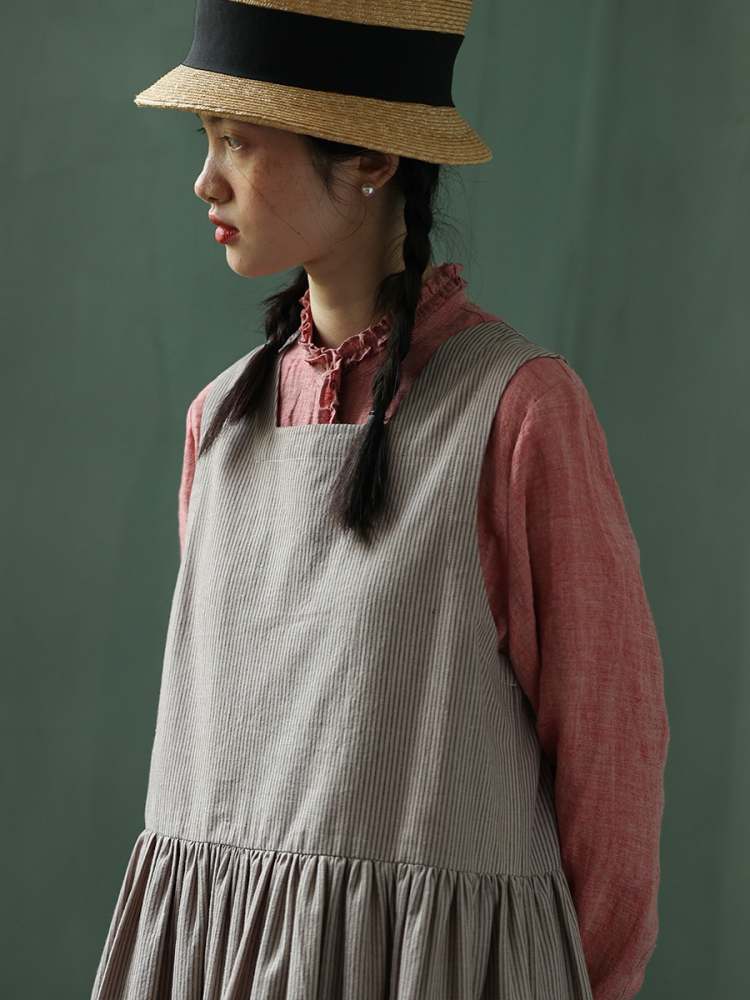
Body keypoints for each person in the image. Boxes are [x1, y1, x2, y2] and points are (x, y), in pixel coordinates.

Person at [90, 2, 670, 999]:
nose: (206, 179)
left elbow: (608, 761)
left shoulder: (519, 411)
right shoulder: (219, 425)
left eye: (239, 141)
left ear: (370, 158)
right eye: (207, 139)